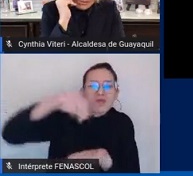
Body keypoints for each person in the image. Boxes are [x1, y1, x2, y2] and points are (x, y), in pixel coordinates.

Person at [1, 62, 141, 173]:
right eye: (93, 85)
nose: (100, 91)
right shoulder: (63, 118)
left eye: (108, 85)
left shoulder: (123, 123)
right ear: (83, 92)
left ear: (116, 93)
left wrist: (106, 162)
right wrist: (53, 102)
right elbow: (11, 134)